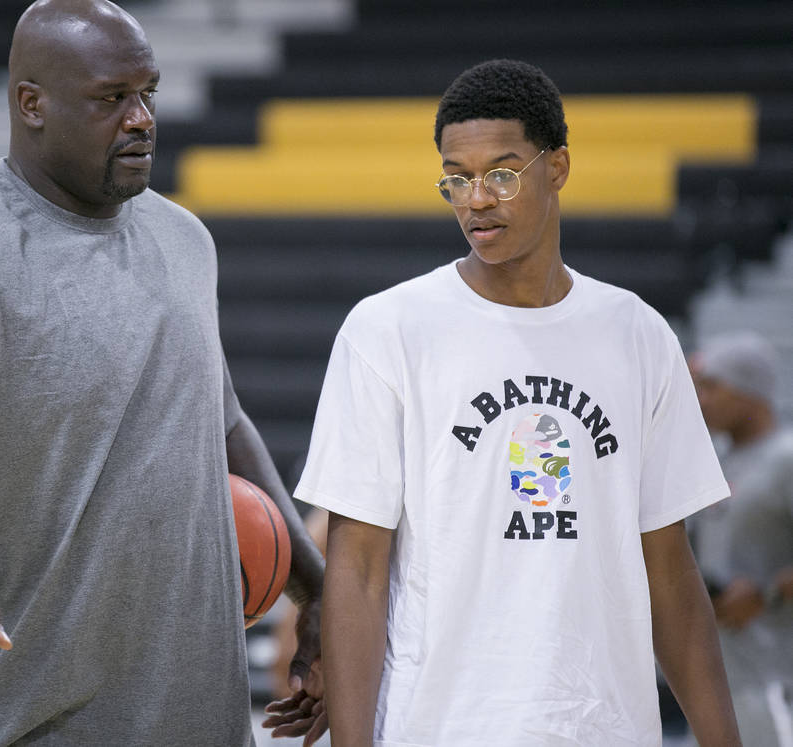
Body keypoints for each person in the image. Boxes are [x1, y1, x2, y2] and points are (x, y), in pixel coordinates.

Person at [0, 1, 324, 744]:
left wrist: (314, 586)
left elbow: (221, 420)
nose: (141, 119)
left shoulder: (185, 239)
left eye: (148, 95)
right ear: (31, 104)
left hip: (185, 718)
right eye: (110, 99)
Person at [294, 59, 741, 745]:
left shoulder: (638, 334)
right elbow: (355, 570)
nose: (476, 199)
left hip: (605, 725)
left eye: (502, 173)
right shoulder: (387, 330)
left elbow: (672, 575)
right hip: (439, 726)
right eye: (456, 177)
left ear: (556, 166)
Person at [689, 331, 793, 746]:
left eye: (712, 386)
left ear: (750, 390)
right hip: (728, 677)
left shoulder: (785, 458)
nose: (701, 399)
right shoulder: (715, 459)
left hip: (779, 678)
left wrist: (768, 593)